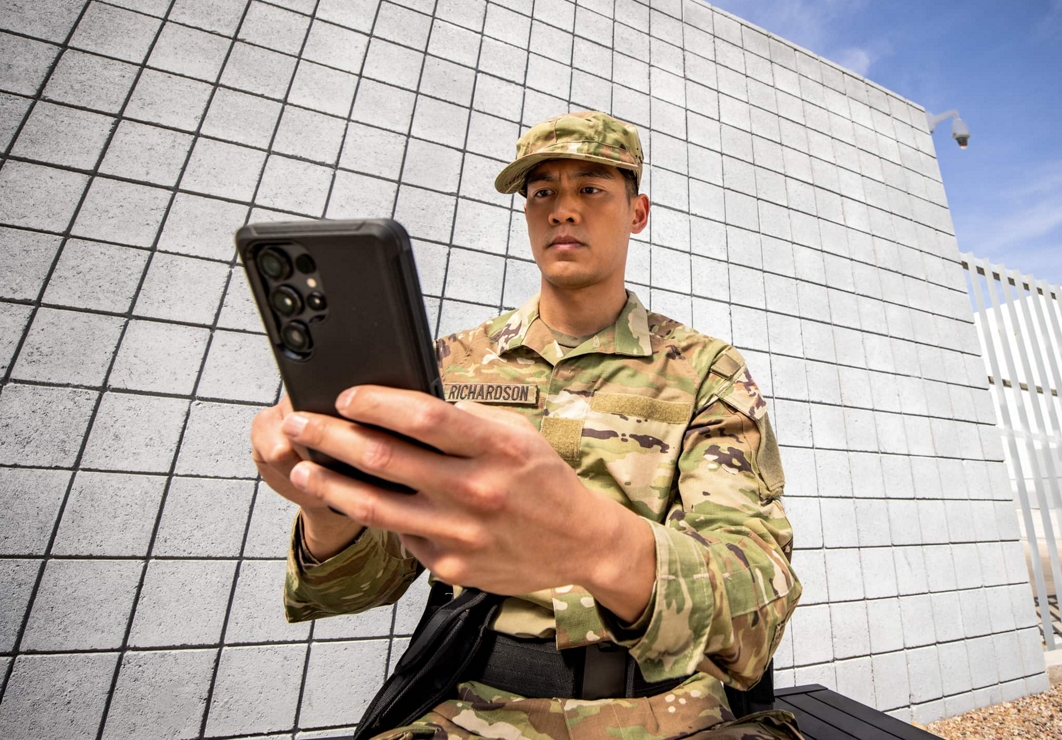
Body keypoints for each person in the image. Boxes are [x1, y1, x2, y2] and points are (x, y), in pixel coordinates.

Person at [250, 111, 803, 740]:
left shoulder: (706, 370)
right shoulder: (452, 364)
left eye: (591, 189)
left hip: (666, 715)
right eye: (543, 192)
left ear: (637, 213)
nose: (563, 209)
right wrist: (330, 508)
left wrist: (596, 545)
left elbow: (759, 604)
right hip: (472, 708)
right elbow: (362, 587)